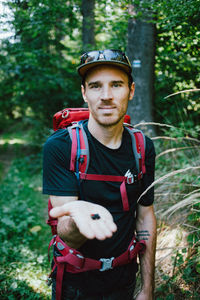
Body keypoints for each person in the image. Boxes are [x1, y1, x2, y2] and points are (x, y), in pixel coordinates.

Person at [43, 49, 157, 300]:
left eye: (116, 85)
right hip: (75, 281)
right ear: (84, 93)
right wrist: (77, 217)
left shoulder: (143, 147)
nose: (106, 96)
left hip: (125, 278)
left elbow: (145, 216)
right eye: (95, 86)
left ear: (131, 90)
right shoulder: (61, 146)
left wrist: (148, 288)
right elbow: (65, 232)